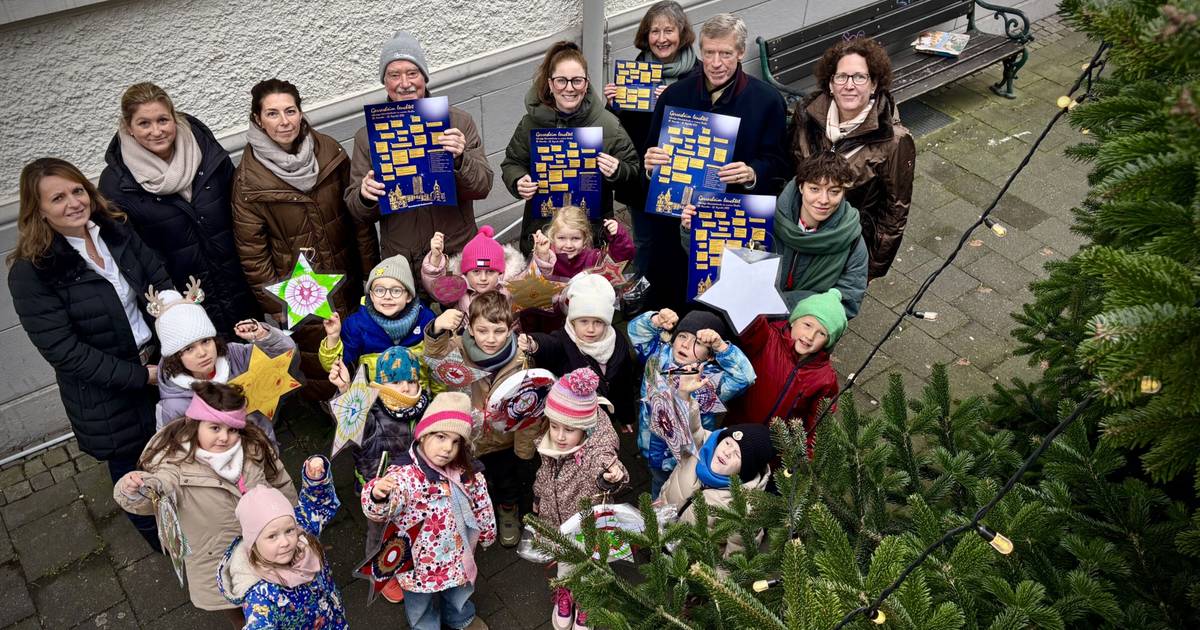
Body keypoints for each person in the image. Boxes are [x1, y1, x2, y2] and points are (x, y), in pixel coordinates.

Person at [8, 157, 172, 551]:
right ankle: (162, 544)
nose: (73, 203)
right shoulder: (32, 271)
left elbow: (159, 278)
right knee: (134, 473)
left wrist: (179, 335)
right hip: (107, 392)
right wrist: (141, 376)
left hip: (157, 364)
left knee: (174, 451)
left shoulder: (114, 232)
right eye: (58, 198)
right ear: (39, 211)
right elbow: (64, 351)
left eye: (77, 190)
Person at [232, 78, 380, 397]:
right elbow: (252, 256)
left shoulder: (329, 151)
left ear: (300, 112)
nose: (284, 121)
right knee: (323, 361)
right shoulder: (248, 180)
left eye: (290, 111)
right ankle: (335, 415)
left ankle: (375, 408)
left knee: (362, 345)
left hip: (348, 272)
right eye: (272, 114)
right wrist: (284, 305)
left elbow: (358, 219)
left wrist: (372, 274)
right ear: (258, 119)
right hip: (300, 291)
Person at [113, 382, 295, 627]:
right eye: (214, 428)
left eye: (232, 429)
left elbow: (279, 479)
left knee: (279, 603)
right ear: (195, 424)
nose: (224, 437)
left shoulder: (252, 448)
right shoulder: (174, 463)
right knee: (239, 611)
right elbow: (158, 490)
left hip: (266, 550)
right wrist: (137, 487)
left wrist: (295, 518)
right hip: (218, 559)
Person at [642, 13, 790, 309]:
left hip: (732, 218)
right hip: (676, 216)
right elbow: (651, 151)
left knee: (726, 299)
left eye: (725, 53)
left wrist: (751, 172)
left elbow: (778, 161)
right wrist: (650, 165)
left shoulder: (768, 100)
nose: (716, 63)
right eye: (709, 53)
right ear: (701, 51)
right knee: (672, 292)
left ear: (740, 52)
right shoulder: (675, 95)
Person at [99, 82, 261, 335]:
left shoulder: (207, 153)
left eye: (163, 120)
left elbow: (242, 215)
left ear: (174, 118)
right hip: (185, 305)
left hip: (239, 288)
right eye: (144, 123)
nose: (156, 131)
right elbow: (134, 259)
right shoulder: (117, 185)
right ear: (129, 128)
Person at [347, 30, 494, 270]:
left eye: (412, 73)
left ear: (424, 77)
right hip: (403, 259)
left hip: (455, 250)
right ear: (385, 82)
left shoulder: (458, 122)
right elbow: (358, 212)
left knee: (462, 308)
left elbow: (483, 187)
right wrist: (365, 195)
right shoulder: (367, 137)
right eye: (394, 75)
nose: (405, 83)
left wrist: (460, 160)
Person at [363, 392, 496, 630]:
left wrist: (486, 531)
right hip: (417, 563)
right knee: (419, 605)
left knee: (459, 593)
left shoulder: (466, 472)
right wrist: (377, 494)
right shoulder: (405, 475)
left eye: (456, 442)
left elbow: (480, 502)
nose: (447, 448)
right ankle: (426, 627)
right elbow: (383, 507)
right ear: (423, 434)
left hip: (457, 554)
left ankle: (460, 618)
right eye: (441, 436)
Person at [683, 151, 867, 317]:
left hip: (801, 335)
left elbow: (848, 300)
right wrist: (692, 230)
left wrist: (779, 306)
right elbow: (716, 259)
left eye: (834, 192)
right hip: (748, 321)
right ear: (801, 186)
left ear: (844, 192)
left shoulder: (852, 240)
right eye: (814, 189)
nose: (823, 200)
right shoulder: (762, 216)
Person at [790, 36, 915, 280]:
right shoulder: (806, 114)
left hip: (846, 246)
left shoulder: (895, 140)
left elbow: (894, 212)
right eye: (841, 77)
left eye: (860, 77)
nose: (850, 85)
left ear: (874, 84)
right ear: (830, 83)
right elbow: (789, 169)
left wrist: (867, 270)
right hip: (798, 234)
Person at [603, 0, 699, 312]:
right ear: (646, 35)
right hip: (641, 176)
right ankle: (640, 291)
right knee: (644, 239)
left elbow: (706, 124)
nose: (661, 38)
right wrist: (615, 104)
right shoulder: (635, 73)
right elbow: (620, 132)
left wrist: (672, 101)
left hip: (682, 175)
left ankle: (674, 292)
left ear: (682, 33)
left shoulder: (698, 74)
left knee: (677, 239)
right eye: (654, 31)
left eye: (668, 30)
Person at [502, 40, 640, 257]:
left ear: (586, 84)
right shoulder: (530, 123)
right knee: (544, 290)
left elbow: (633, 169)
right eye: (561, 81)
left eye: (577, 80)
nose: (569, 88)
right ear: (550, 84)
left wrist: (618, 170)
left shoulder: (607, 124)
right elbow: (512, 163)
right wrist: (518, 180)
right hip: (542, 232)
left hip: (590, 232)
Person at [423, 291, 535, 548]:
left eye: (498, 331)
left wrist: (524, 452)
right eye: (483, 331)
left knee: (507, 480)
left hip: (504, 439)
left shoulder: (521, 359)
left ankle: (508, 510)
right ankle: (473, 513)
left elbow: (528, 408)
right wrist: (437, 328)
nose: (491, 339)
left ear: (510, 330)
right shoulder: (458, 348)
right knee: (469, 480)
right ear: (470, 329)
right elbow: (434, 356)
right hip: (470, 437)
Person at [328, 345, 432, 603]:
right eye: (396, 381)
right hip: (380, 488)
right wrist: (345, 390)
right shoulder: (372, 409)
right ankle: (381, 573)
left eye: (411, 380)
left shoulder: (425, 405)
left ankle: (412, 557)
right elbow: (354, 425)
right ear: (381, 383)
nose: (406, 388)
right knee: (379, 533)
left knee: (415, 524)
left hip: (415, 486)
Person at [532, 368, 628, 630]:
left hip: (588, 529)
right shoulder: (551, 444)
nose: (560, 436)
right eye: (554, 426)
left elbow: (610, 467)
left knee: (592, 568)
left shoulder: (594, 451)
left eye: (569, 430)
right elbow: (544, 475)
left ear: (585, 429)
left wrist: (612, 476)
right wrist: (538, 500)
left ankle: (587, 603)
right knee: (565, 566)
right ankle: (565, 594)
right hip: (557, 521)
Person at [627, 308, 755, 498]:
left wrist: (722, 347)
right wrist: (655, 320)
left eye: (698, 343)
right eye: (683, 336)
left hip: (683, 458)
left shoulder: (710, 381)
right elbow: (635, 331)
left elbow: (745, 377)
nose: (686, 345)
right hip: (649, 445)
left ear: (710, 356)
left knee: (677, 491)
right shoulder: (657, 355)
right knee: (657, 483)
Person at [149, 283, 295, 444]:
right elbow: (172, 450)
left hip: (265, 448)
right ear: (175, 356)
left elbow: (286, 352)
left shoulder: (234, 356)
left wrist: (263, 335)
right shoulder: (174, 406)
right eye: (189, 348)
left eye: (205, 341)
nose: (202, 352)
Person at [218, 457, 344, 629]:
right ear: (253, 542)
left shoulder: (301, 535)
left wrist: (315, 479)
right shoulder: (260, 594)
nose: (285, 542)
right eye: (272, 537)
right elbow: (259, 623)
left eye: (289, 531)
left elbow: (314, 506)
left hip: (333, 619)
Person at [656, 388, 776, 558]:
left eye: (737, 454)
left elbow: (734, 561)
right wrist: (683, 395)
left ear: (745, 471)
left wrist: (706, 580)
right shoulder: (698, 450)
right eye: (728, 443)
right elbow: (688, 426)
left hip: (688, 565)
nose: (727, 452)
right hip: (659, 528)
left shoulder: (745, 509)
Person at [727, 288, 846, 447]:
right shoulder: (767, 337)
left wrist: (804, 462)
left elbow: (817, 426)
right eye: (807, 325)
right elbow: (747, 313)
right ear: (794, 320)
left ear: (828, 342)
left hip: (774, 451)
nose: (810, 336)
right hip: (734, 430)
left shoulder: (825, 379)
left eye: (821, 334)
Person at [518, 273, 639, 425]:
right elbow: (549, 345)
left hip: (605, 416)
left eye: (598, 322)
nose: (591, 329)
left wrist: (626, 417)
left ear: (607, 323)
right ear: (573, 321)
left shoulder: (618, 342)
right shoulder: (564, 340)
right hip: (572, 418)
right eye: (584, 321)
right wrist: (533, 343)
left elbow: (624, 384)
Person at [319, 254, 436, 383]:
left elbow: (438, 364)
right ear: (371, 296)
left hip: (418, 395)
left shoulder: (426, 319)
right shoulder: (357, 324)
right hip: (376, 398)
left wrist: (438, 398)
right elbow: (333, 367)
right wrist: (333, 337)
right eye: (380, 290)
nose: (387, 296)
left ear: (408, 296)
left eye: (396, 290)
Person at [531, 206, 635, 280]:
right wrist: (543, 255)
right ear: (553, 238)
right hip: (554, 308)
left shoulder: (593, 258)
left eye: (575, 238)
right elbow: (540, 278)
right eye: (562, 238)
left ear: (585, 239)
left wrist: (618, 236)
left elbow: (621, 258)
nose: (568, 245)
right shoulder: (549, 257)